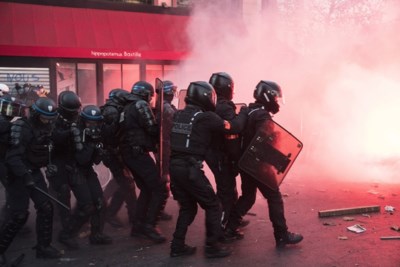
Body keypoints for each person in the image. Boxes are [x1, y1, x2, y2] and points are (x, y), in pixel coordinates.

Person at [168, 81, 248, 258]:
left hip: (174, 167)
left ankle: (177, 245)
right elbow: (232, 126)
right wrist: (243, 113)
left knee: (188, 208)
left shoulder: (179, 114)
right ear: (205, 97)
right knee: (213, 205)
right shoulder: (206, 117)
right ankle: (212, 246)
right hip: (190, 169)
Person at [224, 80, 303, 249]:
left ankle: (229, 228)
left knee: (247, 197)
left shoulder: (249, 111)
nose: (276, 102)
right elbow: (262, 143)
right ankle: (282, 236)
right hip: (257, 164)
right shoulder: (261, 115)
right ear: (268, 96)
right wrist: (279, 161)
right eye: (275, 98)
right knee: (274, 198)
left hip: (246, 164)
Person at [0, 97, 61, 264]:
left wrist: (50, 165)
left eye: (50, 118)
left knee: (46, 207)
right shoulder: (22, 128)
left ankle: (44, 247)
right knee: (19, 215)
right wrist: (25, 176)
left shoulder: (47, 128)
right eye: (44, 118)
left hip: (32, 171)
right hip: (17, 174)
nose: (48, 122)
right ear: (35, 115)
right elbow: (13, 158)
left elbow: (45, 150)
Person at [119, 81, 169, 243]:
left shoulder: (126, 106)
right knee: (161, 188)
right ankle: (150, 226)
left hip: (129, 154)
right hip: (138, 154)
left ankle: (138, 227)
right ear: (146, 95)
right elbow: (153, 129)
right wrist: (161, 120)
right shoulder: (140, 105)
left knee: (147, 190)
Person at [58, 105, 112, 248]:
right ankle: (67, 235)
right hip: (75, 170)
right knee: (87, 206)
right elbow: (82, 158)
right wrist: (91, 143)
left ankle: (96, 234)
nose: (92, 126)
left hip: (87, 170)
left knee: (100, 202)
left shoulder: (96, 133)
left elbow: (95, 161)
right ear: (83, 121)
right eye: (89, 122)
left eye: (95, 123)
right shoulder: (76, 133)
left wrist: (99, 150)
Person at [205, 72, 247, 235]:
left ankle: (232, 220)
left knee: (228, 188)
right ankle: (221, 229)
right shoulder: (224, 106)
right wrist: (243, 112)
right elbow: (235, 127)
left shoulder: (211, 104)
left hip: (213, 153)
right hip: (221, 154)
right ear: (227, 88)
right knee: (225, 192)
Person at [101, 88, 137, 228]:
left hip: (114, 153)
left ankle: (101, 208)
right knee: (126, 184)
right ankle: (111, 214)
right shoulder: (112, 112)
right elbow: (111, 137)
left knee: (118, 182)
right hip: (113, 153)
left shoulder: (111, 109)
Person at [155, 80, 178, 221]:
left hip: (162, 146)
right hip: (166, 146)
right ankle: (157, 210)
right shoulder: (167, 108)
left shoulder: (161, 106)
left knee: (163, 179)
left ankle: (158, 209)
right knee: (164, 179)